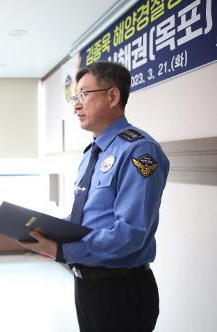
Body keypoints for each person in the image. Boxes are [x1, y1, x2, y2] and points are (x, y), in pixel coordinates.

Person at [18, 61, 169, 332]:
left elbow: (131, 233)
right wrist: (42, 228)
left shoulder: (139, 151)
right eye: (76, 97)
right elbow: (87, 218)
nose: (76, 105)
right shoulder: (92, 152)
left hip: (121, 289)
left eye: (84, 95)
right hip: (87, 285)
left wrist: (62, 250)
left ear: (113, 96)